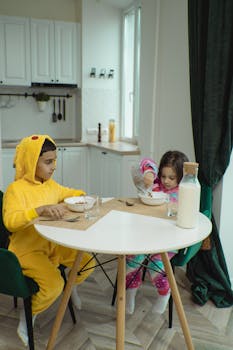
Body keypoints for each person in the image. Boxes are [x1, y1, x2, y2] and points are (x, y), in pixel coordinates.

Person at [2, 134, 95, 346]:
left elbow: (70, 193)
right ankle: (27, 317)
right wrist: (39, 210)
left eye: (55, 161)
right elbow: (10, 221)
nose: (53, 167)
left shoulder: (51, 185)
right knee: (54, 286)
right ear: (31, 162)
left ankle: (72, 288)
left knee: (88, 262)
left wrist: (81, 196)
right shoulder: (15, 190)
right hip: (27, 250)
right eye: (48, 162)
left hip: (52, 245)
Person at [126, 150, 189, 315]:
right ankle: (130, 294)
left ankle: (164, 294)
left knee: (156, 266)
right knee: (132, 259)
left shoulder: (183, 192)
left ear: (181, 177)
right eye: (163, 176)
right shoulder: (155, 184)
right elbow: (145, 161)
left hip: (168, 242)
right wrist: (149, 173)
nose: (166, 181)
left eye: (172, 178)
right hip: (146, 236)